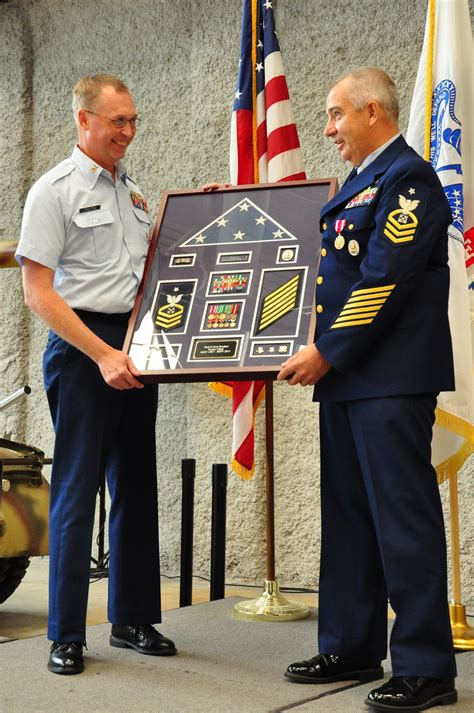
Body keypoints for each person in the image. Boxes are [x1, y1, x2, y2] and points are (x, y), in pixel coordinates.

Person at [277, 67, 457, 712]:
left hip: (390, 379)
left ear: (374, 112)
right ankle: (352, 644)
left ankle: (426, 666)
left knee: (401, 521)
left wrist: (325, 351)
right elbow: (325, 267)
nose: (327, 130)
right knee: (350, 518)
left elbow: (383, 280)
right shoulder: (358, 182)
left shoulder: (407, 178)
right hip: (352, 379)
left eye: (335, 115)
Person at [16, 73, 176, 675]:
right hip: (82, 347)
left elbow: (148, 264)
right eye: (117, 121)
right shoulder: (51, 191)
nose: (128, 132)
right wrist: (101, 354)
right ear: (84, 120)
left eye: (133, 120)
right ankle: (66, 634)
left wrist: (201, 212)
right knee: (79, 488)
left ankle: (133, 618)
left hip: (134, 345)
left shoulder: (132, 192)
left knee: (136, 481)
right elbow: (38, 292)